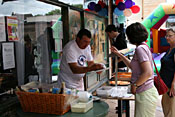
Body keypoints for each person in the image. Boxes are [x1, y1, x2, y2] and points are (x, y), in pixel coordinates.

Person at [110, 22, 158, 117]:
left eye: (128, 35)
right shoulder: (142, 46)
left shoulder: (140, 49)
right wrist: (119, 54)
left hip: (145, 92)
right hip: (145, 92)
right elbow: (132, 66)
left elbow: (148, 72)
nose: (127, 38)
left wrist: (134, 85)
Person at [105, 24, 128, 113]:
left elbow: (123, 53)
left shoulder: (121, 39)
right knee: (119, 87)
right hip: (119, 65)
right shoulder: (118, 37)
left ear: (112, 32)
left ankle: (123, 107)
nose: (108, 36)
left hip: (121, 66)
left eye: (108, 34)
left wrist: (116, 62)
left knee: (121, 88)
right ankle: (122, 106)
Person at [160, 27, 175, 117]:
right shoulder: (169, 49)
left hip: (171, 85)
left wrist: (173, 83)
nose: (167, 38)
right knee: (166, 108)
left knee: (171, 111)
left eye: (170, 36)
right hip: (166, 84)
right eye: (166, 36)